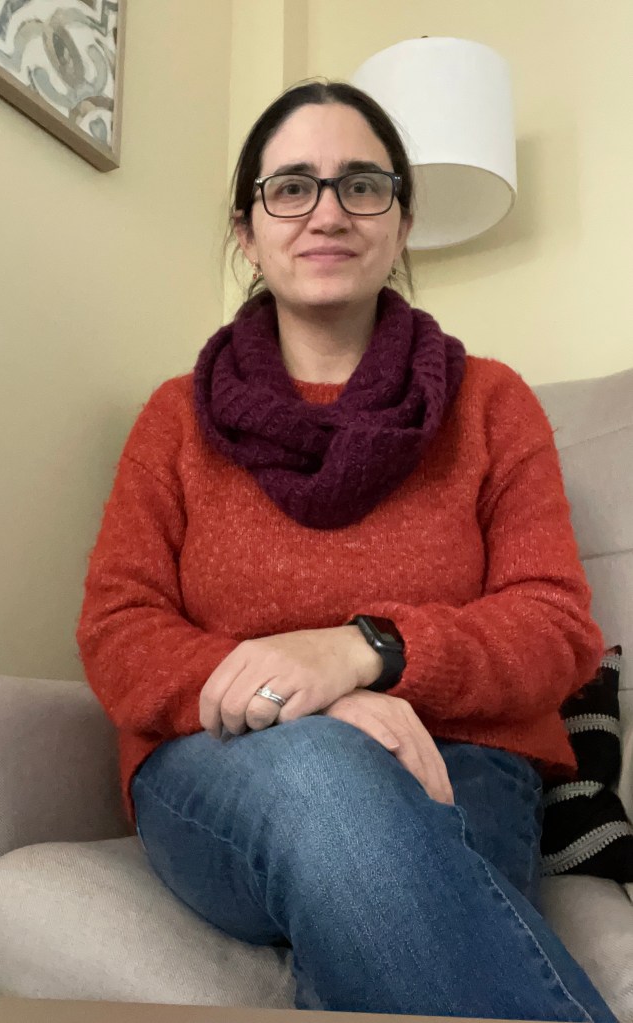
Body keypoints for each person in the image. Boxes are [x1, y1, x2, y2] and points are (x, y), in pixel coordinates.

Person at [76, 80, 615, 1020]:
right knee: (327, 777)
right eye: (291, 186)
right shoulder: (173, 420)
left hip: (458, 758)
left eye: (361, 184)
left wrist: (364, 649)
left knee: (382, 911)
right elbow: (120, 631)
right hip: (225, 765)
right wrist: (298, 702)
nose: (327, 211)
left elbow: (554, 627)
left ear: (401, 222)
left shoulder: (492, 404)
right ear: (248, 229)